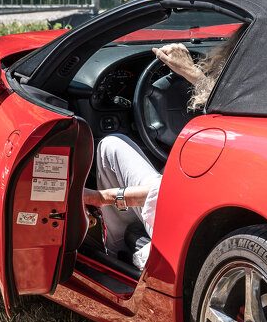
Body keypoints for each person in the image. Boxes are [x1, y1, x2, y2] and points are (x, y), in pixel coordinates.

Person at [83, 36, 240, 268]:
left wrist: (100, 198)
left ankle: (118, 255)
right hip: (218, 218)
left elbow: (168, 193)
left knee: (110, 146)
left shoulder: (241, 118)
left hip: (193, 228)